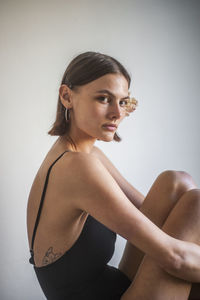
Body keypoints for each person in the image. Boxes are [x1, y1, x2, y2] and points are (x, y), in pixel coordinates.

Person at [27, 51, 200, 300]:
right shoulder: (77, 168)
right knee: (196, 207)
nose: (117, 114)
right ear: (67, 97)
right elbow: (174, 257)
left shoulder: (85, 154)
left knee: (176, 182)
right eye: (103, 98)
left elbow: (151, 220)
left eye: (122, 102)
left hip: (115, 286)